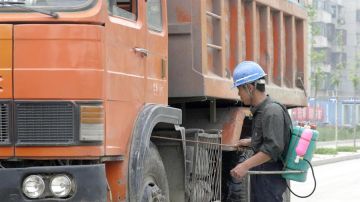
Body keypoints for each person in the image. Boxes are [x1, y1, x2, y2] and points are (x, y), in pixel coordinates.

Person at [230, 61, 292, 202]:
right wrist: (252, 141)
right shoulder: (262, 111)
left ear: (250, 88)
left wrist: (244, 166)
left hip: (269, 181)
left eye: (239, 89)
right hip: (264, 180)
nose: (239, 93)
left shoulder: (272, 111)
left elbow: (272, 149)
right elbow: (272, 138)